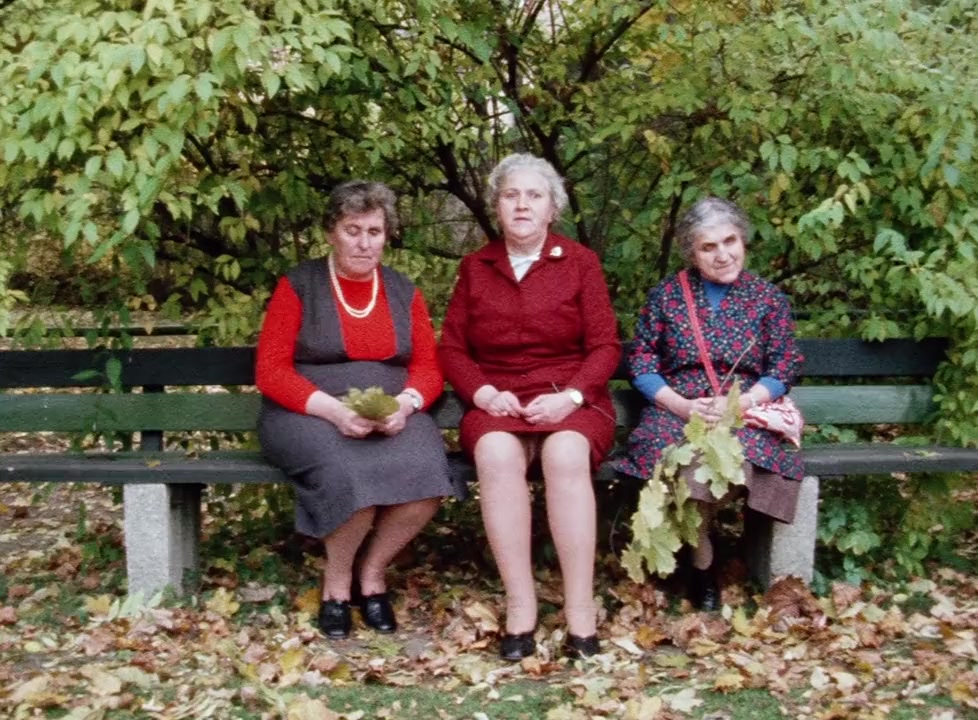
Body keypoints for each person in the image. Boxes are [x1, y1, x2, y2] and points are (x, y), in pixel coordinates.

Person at [256, 180, 462, 639]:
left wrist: (405, 406)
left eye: (374, 231)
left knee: (429, 471)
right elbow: (271, 370)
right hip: (307, 412)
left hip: (390, 412)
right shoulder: (299, 285)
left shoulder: (403, 290)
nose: (364, 243)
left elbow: (428, 368)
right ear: (331, 232)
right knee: (350, 472)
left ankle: (372, 574)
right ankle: (336, 585)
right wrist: (334, 412)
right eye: (353, 231)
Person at [438, 153, 620, 661]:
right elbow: (452, 349)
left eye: (534, 196)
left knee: (565, 455)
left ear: (551, 209)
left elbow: (605, 346)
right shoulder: (476, 267)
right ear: (497, 206)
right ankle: (521, 607)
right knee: (495, 455)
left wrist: (571, 397)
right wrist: (481, 393)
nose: (522, 205)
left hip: (570, 395)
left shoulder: (581, 262)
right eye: (511, 195)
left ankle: (580, 611)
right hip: (498, 397)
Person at [613, 196, 804, 610]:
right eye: (708, 247)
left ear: (743, 240)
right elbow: (642, 360)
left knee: (729, 465)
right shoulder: (667, 296)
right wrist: (679, 404)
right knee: (678, 463)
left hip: (744, 411)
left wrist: (743, 403)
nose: (722, 255)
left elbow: (784, 364)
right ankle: (705, 565)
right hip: (678, 410)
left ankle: (698, 552)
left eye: (730, 241)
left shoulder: (767, 298)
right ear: (691, 253)